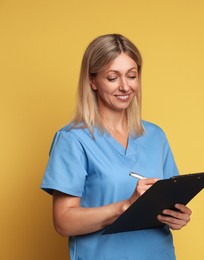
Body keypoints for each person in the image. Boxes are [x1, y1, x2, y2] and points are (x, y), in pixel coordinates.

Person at [40, 34, 192, 259]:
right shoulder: (72, 140)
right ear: (92, 81)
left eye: (132, 76)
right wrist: (125, 206)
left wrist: (177, 215)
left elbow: (169, 199)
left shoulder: (155, 136)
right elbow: (63, 222)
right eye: (112, 78)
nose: (125, 87)